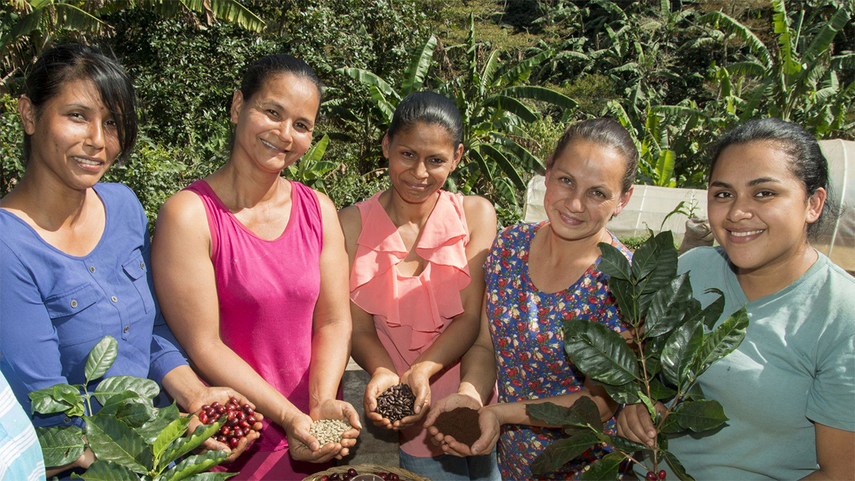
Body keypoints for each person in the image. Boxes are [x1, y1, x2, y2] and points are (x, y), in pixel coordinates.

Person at [0, 44, 260, 477]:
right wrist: (173, 437)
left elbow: (153, 330)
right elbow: (52, 419)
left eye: (113, 123)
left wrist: (196, 396)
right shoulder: (9, 246)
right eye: (77, 116)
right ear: (29, 115)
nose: (98, 140)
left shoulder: (123, 206)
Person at [151, 54, 360, 480]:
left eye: (301, 125)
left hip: (315, 434)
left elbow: (335, 322)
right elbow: (205, 345)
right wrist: (288, 416)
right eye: (272, 112)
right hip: (236, 437)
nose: (285, 135)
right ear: (237, 107)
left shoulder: (318, 209)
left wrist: (319, 404)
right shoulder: (189, 216)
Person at [617, 118, 855, 480]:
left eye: (764, 193)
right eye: (723, 194)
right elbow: (637, 353)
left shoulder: (841, 315)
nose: (736, 213)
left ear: (814, 203)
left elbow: (840, 473)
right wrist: (635, 399)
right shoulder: (692, 271)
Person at [424, 117, 639, 480]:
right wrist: (471, 397)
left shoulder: (625, 283)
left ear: (623, 199)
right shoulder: (510, 247)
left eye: (597, 193)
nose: (574, 203)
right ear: (548, 172)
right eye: (565, 180)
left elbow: (599, 403)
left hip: (587, 466)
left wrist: (500, 413)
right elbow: (485, 346)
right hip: (513, 461)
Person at [338, 92, 500, 480]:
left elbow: (470, 320)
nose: (419, 173)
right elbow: (358, 328)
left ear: (457, 157)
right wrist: (383, 373)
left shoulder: (475, 215)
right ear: (386, 146)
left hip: (473, 397)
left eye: (436, 160)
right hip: (410, 414)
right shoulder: (350, 224)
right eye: (407, 154)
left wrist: (421, 372)